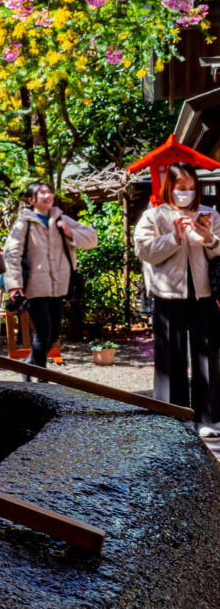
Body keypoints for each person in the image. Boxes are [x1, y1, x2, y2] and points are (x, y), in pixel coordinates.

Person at [134, 162, 220, 437]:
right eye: (182, 188)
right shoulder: (155, 216)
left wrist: (210, 240)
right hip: (167, 293)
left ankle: (208, 418)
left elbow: (217, 250)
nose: (187, 193)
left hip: (203, 293)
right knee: (171, 356)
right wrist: (175, 236)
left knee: (207, 354)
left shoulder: (210, 214)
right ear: (170, 187)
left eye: (192, 188)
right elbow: (144, 250)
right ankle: (173, 417)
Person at [2, 181, 97, 373]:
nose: (47, 195)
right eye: (42, 193)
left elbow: (92, 239)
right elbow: (11, 254)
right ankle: (41, 375)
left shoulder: (60, 218)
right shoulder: (24, 223)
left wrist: (71, 232)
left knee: (53, 333)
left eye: (49, 192)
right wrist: (14, 285)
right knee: (43, 331)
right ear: (31, 200)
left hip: (59, 286)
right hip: (35, 286)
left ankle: (30, 364)